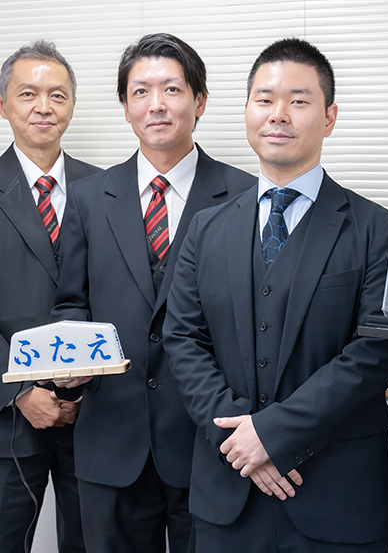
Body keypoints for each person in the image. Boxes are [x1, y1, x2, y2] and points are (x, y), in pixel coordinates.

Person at [164, 38, 388, 552]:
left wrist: (273, 437)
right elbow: (184, 340)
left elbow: (375, 354)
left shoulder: (380, 230)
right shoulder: (206, 229)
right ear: (247, 112)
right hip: (228, 493)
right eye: (264, 99)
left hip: (338, 499)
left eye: (298, 101)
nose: (279, 114)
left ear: (329, 117)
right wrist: (240, 442)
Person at [50, 33, 256, 553]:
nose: (156, 104)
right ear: (125, 107)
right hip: (111, 439)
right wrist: (70, 363)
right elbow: (71, 302)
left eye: (172, 89)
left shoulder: (245, 196)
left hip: (210, 443)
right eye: (140, 91)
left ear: (200, 101)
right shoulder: (89, 198)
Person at [0, 41, 101, 552]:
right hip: (8, 421)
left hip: (96, 419)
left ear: (72, 105)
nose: (44, 106)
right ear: (3, 105)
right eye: (28, 94)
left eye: (57, 95)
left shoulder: (104, 189)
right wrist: (19, 390)